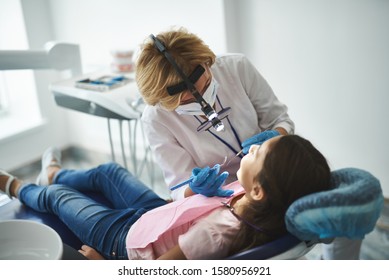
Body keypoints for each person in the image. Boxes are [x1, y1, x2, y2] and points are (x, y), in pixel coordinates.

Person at [0, 135, 330, 260]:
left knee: (58, 197)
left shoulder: (214, 235)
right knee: (110, 172)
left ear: (259, 189)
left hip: (125, 240)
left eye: (258, 152)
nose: (253, 146)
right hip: (159, 214)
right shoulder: (256, 198)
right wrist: (193, 190)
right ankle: (55, 172)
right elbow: (189, 205)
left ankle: (13, 185)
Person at [135, 27, 294, 201]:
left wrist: (276, 136)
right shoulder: (156, 119)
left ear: (207, 62)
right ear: (165, 101)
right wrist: (195, 188)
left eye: (207, 85)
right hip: (218, 199)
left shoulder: (236, 67)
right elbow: (180, 186)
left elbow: (280, 120)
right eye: (187, 102)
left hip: (274, 174)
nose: (204, 102)